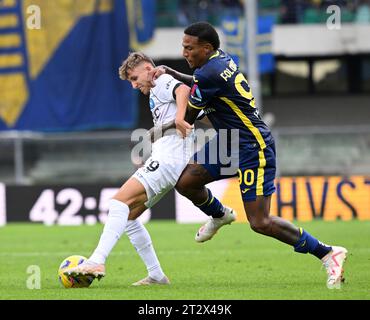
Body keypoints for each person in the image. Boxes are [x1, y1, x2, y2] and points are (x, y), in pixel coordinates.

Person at [150, 21, 348, 289]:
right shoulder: (218, 60)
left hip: (252, 147)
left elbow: (188, 117)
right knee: (186, 182)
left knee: (260, 222)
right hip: (229, 142)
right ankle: (220, 215)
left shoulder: (208, 73)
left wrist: (158, 130)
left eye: (189, 48)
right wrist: (174, 73)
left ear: (206, 48)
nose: (184, 52)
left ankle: (326, 252)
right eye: (183, 47)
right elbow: (199, 83)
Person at [64, 52, 236, 285]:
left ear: (148, 68)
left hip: (168, 161)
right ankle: (156, 274)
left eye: (135, 78)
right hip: (168, 161)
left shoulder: (160, 80)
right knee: (129, 218)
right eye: (131, 82)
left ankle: (97, 260)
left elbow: (183, 91)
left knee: (118, 204)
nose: (135, 85)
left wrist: (179, 119)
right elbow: (191, 111)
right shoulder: (155, 92)